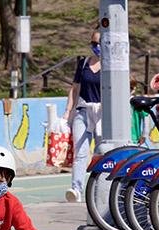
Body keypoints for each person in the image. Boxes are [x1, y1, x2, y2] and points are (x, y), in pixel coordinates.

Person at [62, 29, 102, 203]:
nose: (97, 47)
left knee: (102, 152)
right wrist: (67, 111)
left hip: (102, 114)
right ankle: (76, 189)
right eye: (94, 43)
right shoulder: (84, 63)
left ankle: (101, 188)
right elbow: (75, 88)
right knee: (80, 152)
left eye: (100, 43)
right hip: (83, 111)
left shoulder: (112, 65)